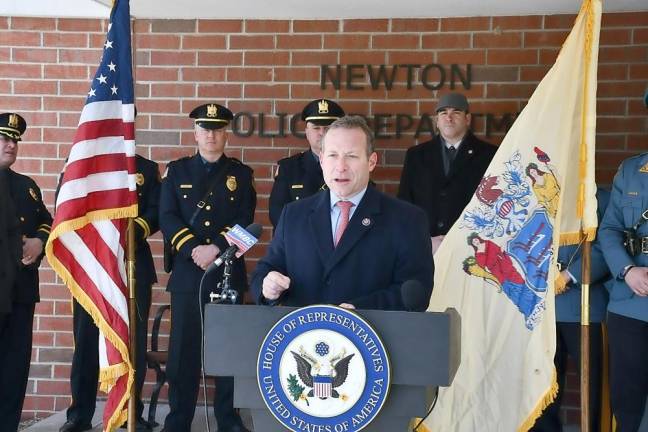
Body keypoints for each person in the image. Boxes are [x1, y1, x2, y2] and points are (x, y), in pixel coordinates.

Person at [252, 115, 433, 310]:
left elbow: (417, 291)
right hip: (302, 337)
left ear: (371, 161)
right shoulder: (294, 215)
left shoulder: (407, 219)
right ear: (321, 160)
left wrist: (357, 311)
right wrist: (267, 286)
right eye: (332, 155)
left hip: (374, 337)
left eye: (351, 156)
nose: (340, 166)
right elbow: (266, 270)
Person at [160, 103, 256, 432]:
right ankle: (178, 420)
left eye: (217, 128)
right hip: (188, 274)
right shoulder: (177, 171)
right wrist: (192, 249)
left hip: (227, 272)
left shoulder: (241, 175)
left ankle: (228, 420)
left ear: (226, 132)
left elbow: (246, 223)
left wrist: (216, 247)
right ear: (195, 132)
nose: (211, 134)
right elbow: (167, 217)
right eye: (205, 128)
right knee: (183, 354)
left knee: (229, 350)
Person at [59, 153, 161, 432]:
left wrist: (131, 230)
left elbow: (156, 210)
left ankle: (130, 412)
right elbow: (64, 204)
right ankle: (79, 415)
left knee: (133, 343)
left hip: (132, 263)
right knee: (86, 342)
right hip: (91, 266)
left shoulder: (146, 168)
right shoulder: (82, 158)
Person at [531, 188, 611, 432]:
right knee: (541, 384)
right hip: (542, 306)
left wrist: (568, 275)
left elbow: (607, 245)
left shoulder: (602, 199)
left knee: (593, 387)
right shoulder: (536, 196)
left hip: (586, 304)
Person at [598, 91, 648, 432]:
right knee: (627, 399)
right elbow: (610, 229)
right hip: (629, 302)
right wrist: (627, 271)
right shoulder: (631, 171)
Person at [0, 113, 53, 432]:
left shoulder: (27, 186)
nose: (11, 145)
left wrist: (38, 241)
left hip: (20, 291)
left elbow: (46, 221)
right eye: (4, 139)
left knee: (15, 366)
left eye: (14, 141)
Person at [398, 92, 496, 254]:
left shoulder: (489, 155)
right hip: (425, 247)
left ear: (467, 119)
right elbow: (405, 203)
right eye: (443, 113)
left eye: (456, 113)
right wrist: (420, 240)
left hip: (471, 247)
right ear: (437, 121)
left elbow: (493, 204)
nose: (449, 118)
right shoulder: (416, 155)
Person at [268, 98, 345, 229]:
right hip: (299, 243)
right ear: (307, 133)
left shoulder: (352, 166)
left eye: (327, 128)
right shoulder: (289, 168)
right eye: (316, 128)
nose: (322, 133)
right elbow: (277, 213)